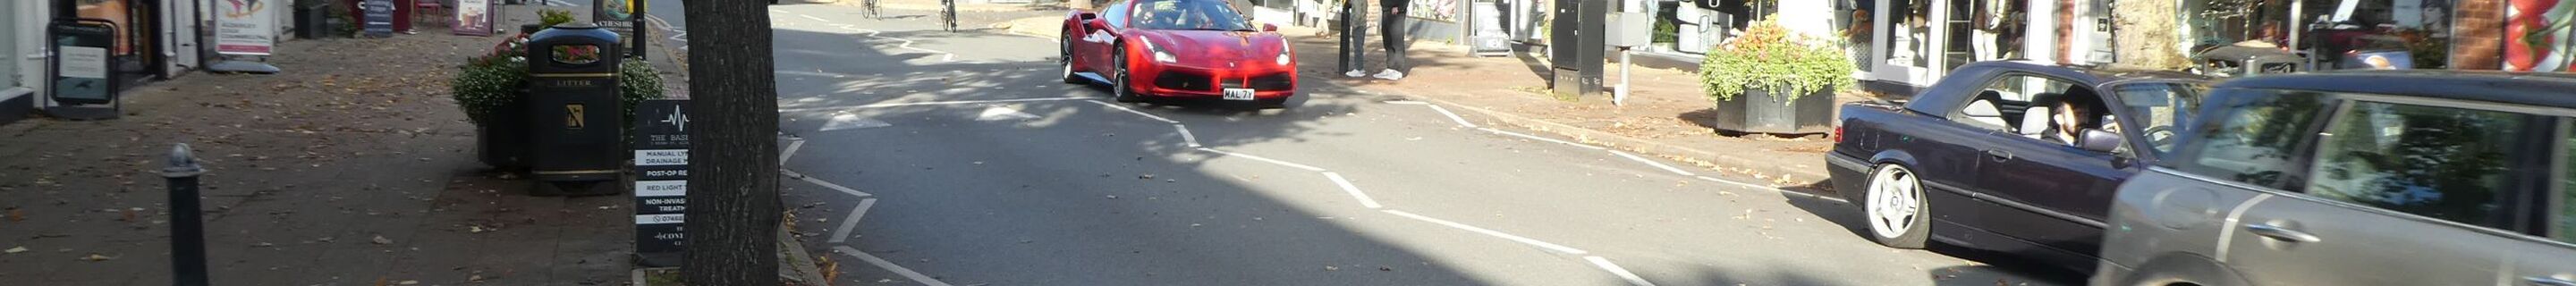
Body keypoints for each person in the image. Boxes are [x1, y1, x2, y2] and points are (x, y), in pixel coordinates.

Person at [2041, 89, 2107, 148]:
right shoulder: (2048, 148)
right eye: (2077, 114)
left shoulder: (2092, 144)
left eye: (2086, 114)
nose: (2083, 120)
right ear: (2059, 119)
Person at [1370, 0, 1411, 80]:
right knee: (1387, 41)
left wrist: (1400, 7)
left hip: (1396, 11)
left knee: (1397, 40)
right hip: (1386, 9)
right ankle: (1390, 68)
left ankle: (1398, 70)